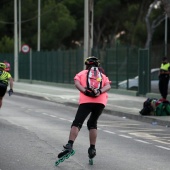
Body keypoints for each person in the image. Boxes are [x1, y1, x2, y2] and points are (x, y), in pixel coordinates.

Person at [56, 56, 111, 165]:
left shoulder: (82, 74)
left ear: (87, 65)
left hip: (86, 101)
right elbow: (108, 86)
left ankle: (69, 145)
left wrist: (86, 92)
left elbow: (77, 84)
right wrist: (99, 92)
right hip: (100, 102)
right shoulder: (102, 76)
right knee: (92, 123)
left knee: (77, 122)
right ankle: (92, 149)